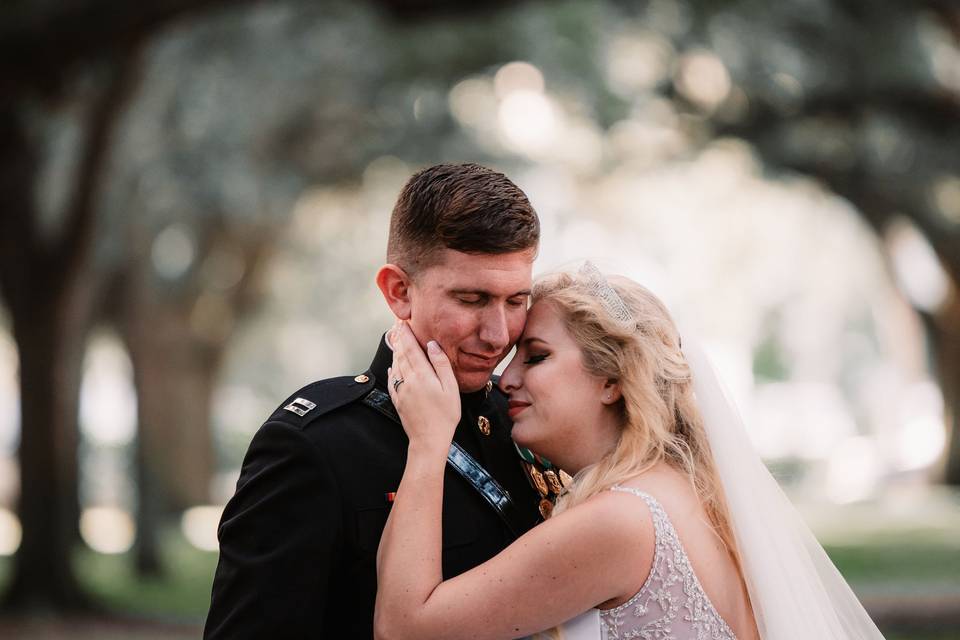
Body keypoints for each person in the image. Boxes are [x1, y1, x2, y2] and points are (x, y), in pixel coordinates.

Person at [375, 265, 887, 640]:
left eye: (537, 357)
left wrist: (427, 443)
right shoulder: (681, 492)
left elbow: (405, 628)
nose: (505, 379)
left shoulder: (621, 520)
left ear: (612, 381)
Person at [204, 163, 545, 639]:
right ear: (399, 291)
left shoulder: (523, 425)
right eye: (472, 299)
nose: (497, 335)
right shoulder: (316, 444)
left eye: (516, 302)